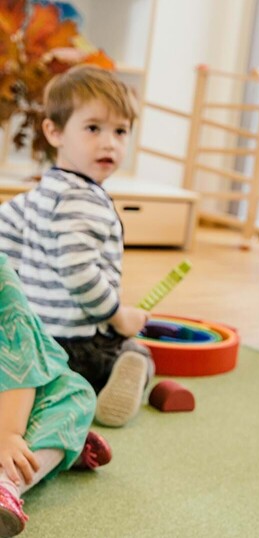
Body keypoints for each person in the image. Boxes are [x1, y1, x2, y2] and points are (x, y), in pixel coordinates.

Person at [0, 65, 153, 428]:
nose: (109, 143)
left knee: (31, 375)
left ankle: (34, 390)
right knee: (138, 351)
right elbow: (78, 271)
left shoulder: (37, 195)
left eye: (121, 131)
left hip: (33, 342)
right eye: (93, 128)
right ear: (54, 132)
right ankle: (113, 379)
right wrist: (119, 315)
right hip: (78, 343)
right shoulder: (83, 200)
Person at [0, 253, 112, 537]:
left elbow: (22, 360)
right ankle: (61, 449)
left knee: (75, 396)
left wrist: (9, 434)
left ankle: (7, 483)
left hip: (16, 396)